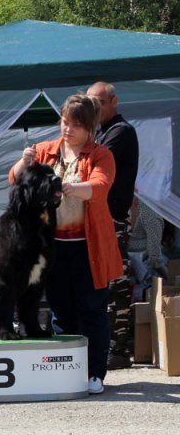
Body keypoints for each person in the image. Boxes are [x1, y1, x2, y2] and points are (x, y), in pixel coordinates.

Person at [10, 94, 122, 394]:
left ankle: (95, 373)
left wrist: (68, 187)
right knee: (61, 311)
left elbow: (99, 186)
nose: (67, 129)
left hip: (89, 248)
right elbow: (16, 180)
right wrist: (23, 162)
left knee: (92, 311)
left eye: (75, 124)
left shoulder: (101, 155)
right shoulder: (46, 151)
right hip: (53, 247)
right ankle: (67, 371)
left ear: (90, 127)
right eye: (64, 122)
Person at [87, 81, 139, 370]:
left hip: (113, 222)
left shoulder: (120, 132)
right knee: (102, 283)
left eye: (100, 103)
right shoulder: (102, 132)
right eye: (91, 103)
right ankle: (108, 346)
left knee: (116, 283)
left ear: (114, 102)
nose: (95, 108)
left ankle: (118, 349)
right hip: (100, 220)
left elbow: (93, 160)